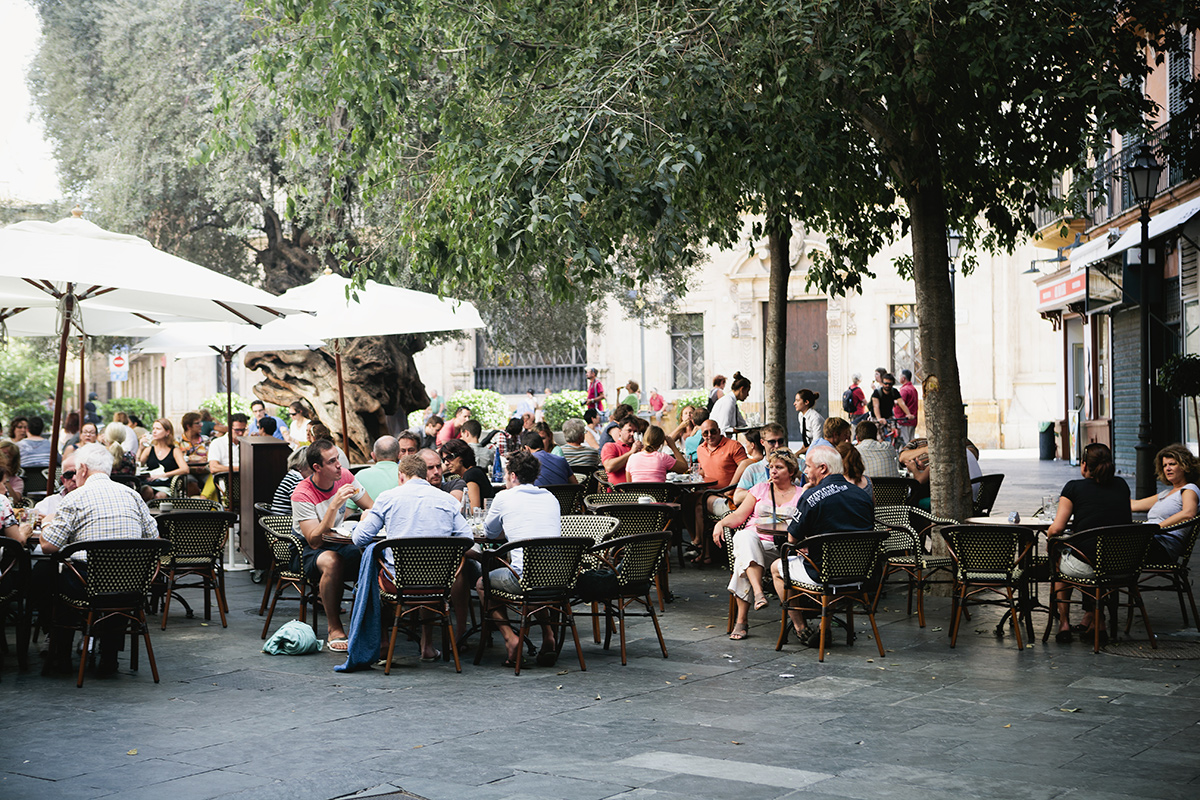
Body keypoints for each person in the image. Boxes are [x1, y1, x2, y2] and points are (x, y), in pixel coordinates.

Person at [38, 442, 159, 675]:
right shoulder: (132, 495)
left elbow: (48, 546)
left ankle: (61, 656)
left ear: (82, 468)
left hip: (87, 585)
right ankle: (109, 657)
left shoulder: (75, 499)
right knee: (116, 578)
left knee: (54, 580)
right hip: (133, 585)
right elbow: (155, 538)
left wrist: (46, 522)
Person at [353, 452, 474, 648]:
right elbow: (467, 538)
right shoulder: (447, 500)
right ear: (424, 476)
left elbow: (359, 539)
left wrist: (365, 519)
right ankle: (427, 646)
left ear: (401, 475)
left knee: (371, 572)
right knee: (427, 569)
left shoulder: (388, 497)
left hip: (398, 583)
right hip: (440, 582)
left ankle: (382, 640)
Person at [772, 445, 874, 646]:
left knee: (777, 567)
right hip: (859, 574)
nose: (806, 471)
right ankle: (824, 628)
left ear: (823, 468)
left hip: (822, 575)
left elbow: (792, 539)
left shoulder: (811, 496)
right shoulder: (862, 494)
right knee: (832, 566)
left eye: (808, 467)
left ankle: (800, 628)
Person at [478, 450, 562, 667]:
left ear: (513, 475)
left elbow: (488, 532)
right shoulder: (550, 497)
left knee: (481, 583)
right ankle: (548, 635)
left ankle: (509, 637)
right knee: (538, 578)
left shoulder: (504, 497)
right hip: (558, 578)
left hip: (522, 579)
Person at [291, 439, 374, 651]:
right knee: (332, 561)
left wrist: (367, 516)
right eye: (332, 461)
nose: (339, 465)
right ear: (317, 467)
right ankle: (334, 626)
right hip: (306, 550)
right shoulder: (303, 493)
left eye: (338, 458)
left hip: (338, 541)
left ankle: (371, 623)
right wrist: (334, 505)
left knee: (373, 553)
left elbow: (372, 508)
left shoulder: (345, 477)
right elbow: (314, 540)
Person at [715, 450, 803, 640]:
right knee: (745, 538)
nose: (773, 471)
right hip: (755, 541)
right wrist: (720, 523)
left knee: (743, 559)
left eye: (779, 467)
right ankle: (758, 592)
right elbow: (739, 516)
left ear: (791, 471)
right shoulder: (759, 489)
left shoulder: (801, 495)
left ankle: (742, 621)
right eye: (771, 467)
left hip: (781, 549)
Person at [1047, 442, 1131, 643]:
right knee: (1090, 556)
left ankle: (1064, 623)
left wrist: (1051, 537)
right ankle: (1097, 619)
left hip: (1091, 567)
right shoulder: (1122, 485)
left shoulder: (1073, 488)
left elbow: (1057, 529)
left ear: (1084, 465)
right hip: (1122, 565)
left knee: (1061, 560)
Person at [1131, 443, 1200, 565]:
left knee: (1112, 545)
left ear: (1184, 466)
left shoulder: (1189, 489)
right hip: (1149, 541)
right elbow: (1134, 505)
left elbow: (1189, 513)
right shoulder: (1165, 494)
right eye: (1164, 465)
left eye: (1172, 464)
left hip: (1163, 546)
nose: (1167, 468)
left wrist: (1156, 527)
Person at [898, 438, 982, 510]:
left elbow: (920, 480)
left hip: (957, 500)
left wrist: (913, 469)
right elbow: (902, 457)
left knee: (915, 496)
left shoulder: (943, 454)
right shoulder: (963, 449)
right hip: (975, 499)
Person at [697, 419, 749, 514]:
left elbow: (746, 470)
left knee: (697, 504)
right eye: (705, 433)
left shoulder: (734, 446)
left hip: (729, 494)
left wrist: (730, 490)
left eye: (713, 431)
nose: (709, 435)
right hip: (709, 492)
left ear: (719, 431)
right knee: (686, 501)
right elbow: (704, 470)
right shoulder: (700, 449)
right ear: (702, 435)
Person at [733, 423, 788, 505]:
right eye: (772, 442)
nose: (777, 446)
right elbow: (737, 498)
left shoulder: (798, 464)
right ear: (762, 442)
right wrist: (763, 489)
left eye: (780, 441)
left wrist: (798, 474)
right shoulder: (753, 469)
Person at [136, 418, 189, 499]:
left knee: (160, 496)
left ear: (167, 432)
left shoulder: (175, 451)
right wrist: (140, 448)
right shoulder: (149, 449)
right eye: (153, 428)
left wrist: (163, 475)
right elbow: (137, 466)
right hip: (149, 483)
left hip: (165, 485)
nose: (154, 431)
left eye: (158, 429)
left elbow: (185, 469)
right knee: (146, 491)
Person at [440, 437, 497, 510]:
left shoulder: (470, 474)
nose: (446, 463)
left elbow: (474, 509)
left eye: (450, 457)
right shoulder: (474, 471)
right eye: (444, 460)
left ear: (462, 456)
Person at [348, 436, 400, 513]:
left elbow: (348, 511)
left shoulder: (360, 476)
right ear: (399, 455)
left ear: (373, 456)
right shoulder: (406, 475)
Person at [34, 452, 79, 519]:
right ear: (63, 480)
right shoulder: (49, 502)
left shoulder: (94, 501)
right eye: (69, 474)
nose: (74, 478)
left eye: (78, 473)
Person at [601, 419, 643, 485]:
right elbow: (609, 467)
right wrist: (631, 452)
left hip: (639, 489)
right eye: (629, 431)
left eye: (635, 431)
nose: (632, 434)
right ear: (620, 431)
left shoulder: (640, 449)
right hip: (618, 492)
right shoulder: (611, 446)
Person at [272, 448, 310, 516]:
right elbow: (302, 505)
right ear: (300, 466)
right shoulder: (298, 479)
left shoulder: (292, 475)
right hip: (286, 523)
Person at [208, 414, 248, 478]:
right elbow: (213, 467)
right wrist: (241, 469)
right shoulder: (217, 443)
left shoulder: (247, 444)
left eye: (243, 430)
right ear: (229, 428)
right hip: (226, 478)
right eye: (237, 430)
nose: (240, 433)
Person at [794, 390, 824, 455]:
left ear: (806, 402)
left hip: (819, 453)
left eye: (797, 401)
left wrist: (798, 453)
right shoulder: (801, 415)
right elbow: (806, 439)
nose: (794, 403)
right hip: (809, 452)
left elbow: (817, 443)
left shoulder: (815, 418)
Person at [896, 369, 919, 444]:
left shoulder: (904, 390)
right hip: (912, 420)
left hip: (905, 420)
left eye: (899, 376)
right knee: (911, 441)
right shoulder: (913, 389)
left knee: (906, 442)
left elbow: (901, 403)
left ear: (903, 378)